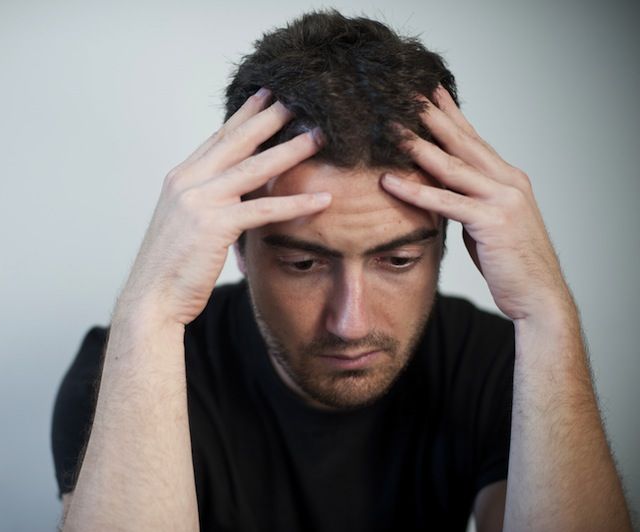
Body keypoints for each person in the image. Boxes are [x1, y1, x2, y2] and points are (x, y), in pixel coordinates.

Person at [51, 10, 631, 531]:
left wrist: (546, 314)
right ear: (235, 244)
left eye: (397, 260)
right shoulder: (127, 371)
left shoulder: (491, 365)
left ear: (449, 242)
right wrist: (149, 309)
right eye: (303, 263)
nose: (350, 323)